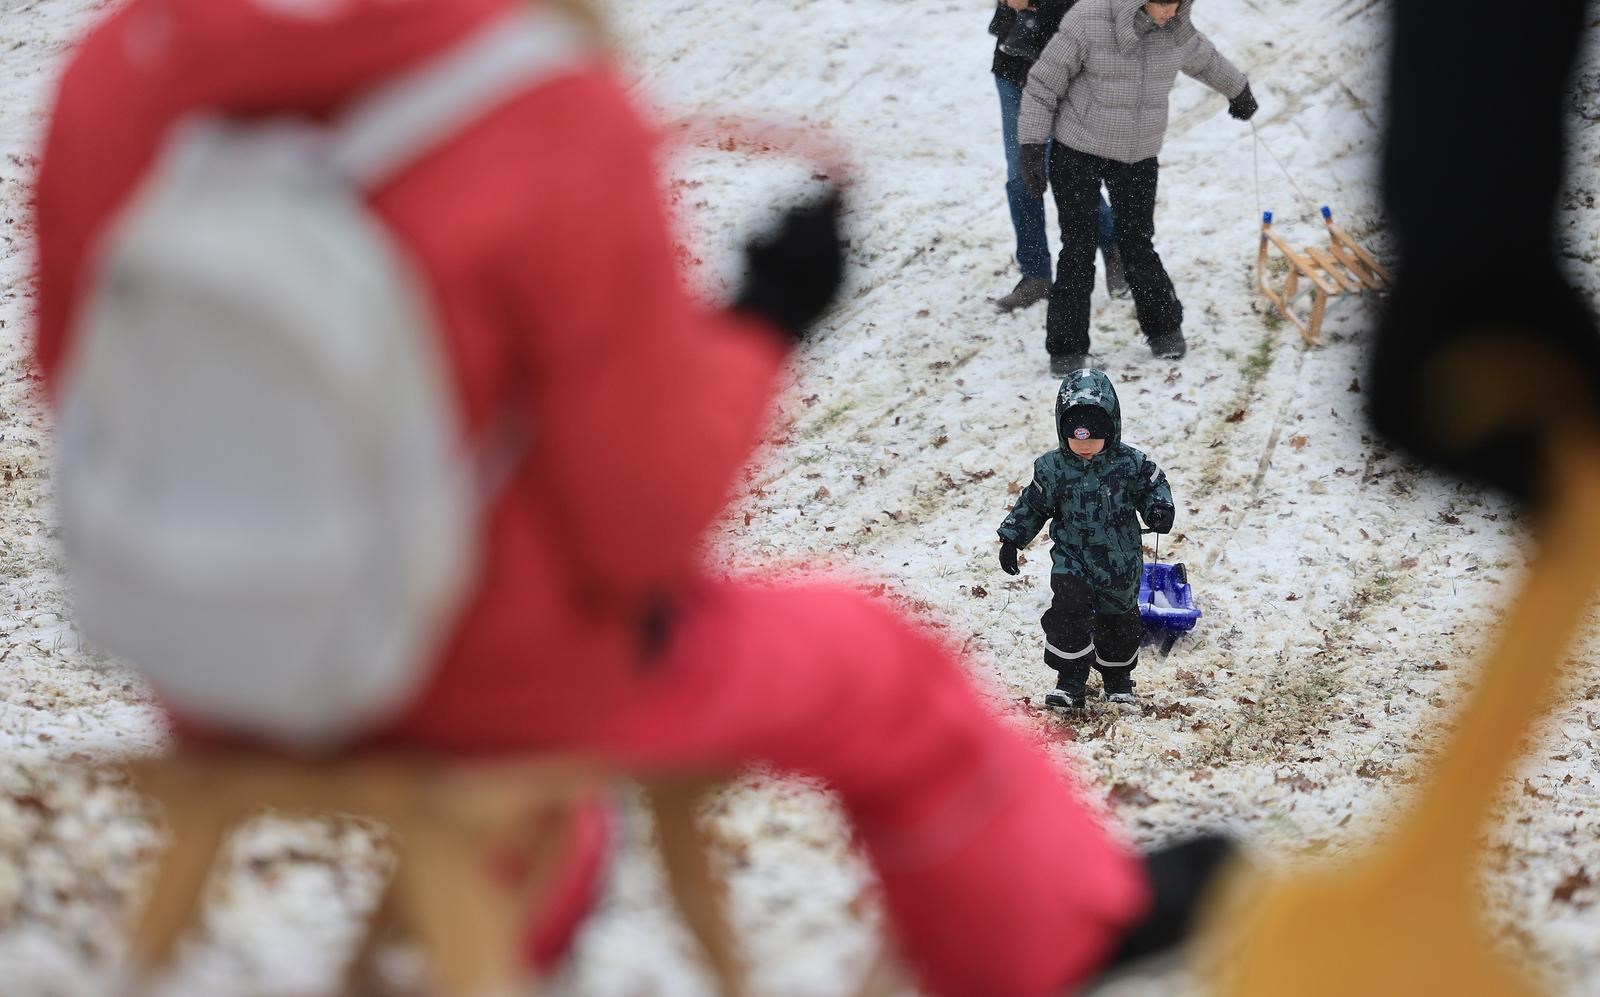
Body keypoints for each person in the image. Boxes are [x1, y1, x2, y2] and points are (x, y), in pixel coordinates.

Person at [34, 0, 1237, 993]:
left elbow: (72, 380)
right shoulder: (537, 105)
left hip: (213, 661)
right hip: (468, 680)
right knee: (884, 668)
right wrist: (760, 330)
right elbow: (641, 523)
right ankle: (1058, 937)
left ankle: (496, 936)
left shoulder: (119, 72)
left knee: (561, 747)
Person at [1018, 0, 1256, 374]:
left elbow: (1206, 60)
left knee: (1137, 242)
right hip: (1078, 148)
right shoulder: (1088, 18)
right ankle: (1066, 350)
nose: (1170, 13)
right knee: (1078, 247)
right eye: (1163, 5)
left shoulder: (1175, 29)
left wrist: (1238, 90)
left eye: (1177, 4)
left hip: (1138, 153)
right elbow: (1043, 84)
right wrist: (1031, 146)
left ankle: (1165, 331)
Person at [996, 368, 1174, 708]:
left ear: (1112, 429)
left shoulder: (1130, 463)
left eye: (1093, 441)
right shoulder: (1052, 468)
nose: (1085, 449)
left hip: (1119, 559)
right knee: (1068, 611)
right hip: (1072, 556)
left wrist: (1159, 508)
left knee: (1119, 619)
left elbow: (1154, 487)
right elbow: (1033, 504)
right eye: (1076, 441)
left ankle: (1118, 679)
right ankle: (1070, 679)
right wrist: (1012, 539)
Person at [989, 0, 1127, 312]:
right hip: (1014, 69)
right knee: (1022, 175)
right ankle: (1035, 274)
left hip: (1066, 73)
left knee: (1066, 171)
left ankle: (1113, 245)